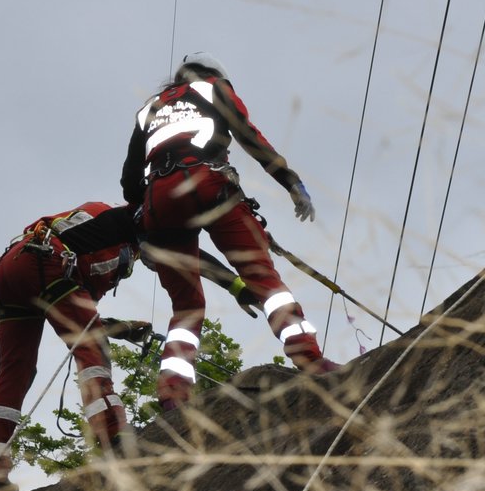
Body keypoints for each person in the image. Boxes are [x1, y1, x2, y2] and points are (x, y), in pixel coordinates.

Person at [0, 201, 253, 491]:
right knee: (92, 351)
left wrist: (122, 328)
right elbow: (188, 257)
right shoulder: (134, 218)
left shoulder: (96, 235)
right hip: (44, 264)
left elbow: (75, 318)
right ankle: (112, 436)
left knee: (16, 372)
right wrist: (235, 284)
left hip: (11, 274)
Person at [121, 52, 336, 410]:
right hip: (208, 185)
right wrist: (291, 182)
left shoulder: (149, 110)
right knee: (264, 280)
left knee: (186, 307)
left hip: (159, 202)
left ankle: (173, 395)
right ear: (209, 75)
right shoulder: (214, 89)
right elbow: (249, 136)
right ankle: (311, 360)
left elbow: (129, 183)